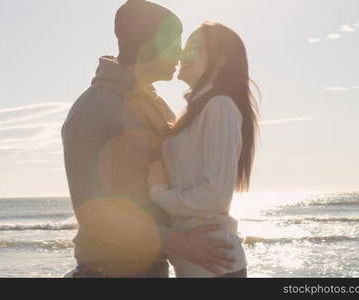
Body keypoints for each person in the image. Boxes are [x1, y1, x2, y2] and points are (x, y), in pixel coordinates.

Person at [61, 1, 236, 278]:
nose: (180, 52)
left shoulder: (156, 103)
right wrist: (180, 242)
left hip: (154, 268)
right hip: (111, 273)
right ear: (151, 43)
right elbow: (92, 214)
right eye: (174, 42)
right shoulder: (92, 109)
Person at [147, 21, 260, 277]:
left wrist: (158, 193)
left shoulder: (219, 105)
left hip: (215, 266)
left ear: (220, 60)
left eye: (194, 48)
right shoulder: (194, 110)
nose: (183, 55)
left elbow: (215, 196)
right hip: (200, 265)